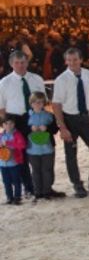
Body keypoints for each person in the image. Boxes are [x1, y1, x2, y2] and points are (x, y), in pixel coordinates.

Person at [0, 50, 46, 197]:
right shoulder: (3, 83)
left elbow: (43, 101)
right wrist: (8, 127)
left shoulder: (37, 79)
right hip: (15, 120)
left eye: (23, 62)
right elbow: (1, 108)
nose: (20, 65)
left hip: (34, 118)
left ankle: (43, 186)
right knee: (21, 156)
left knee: (39, 152)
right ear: (11, 64)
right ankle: (28, 187)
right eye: (17, 63)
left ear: (27, 62)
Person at [52, 48, 89, 198]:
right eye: (69, 60)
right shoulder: (61, 80)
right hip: (70, 119)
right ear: (65, 61)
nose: (72, 63)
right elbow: (56, 105)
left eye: (75, 59)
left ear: (81, 60)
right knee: (71, 154)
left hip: (87, 118)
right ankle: (77, 185)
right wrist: (62, 127)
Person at [26, 92, 58, 202]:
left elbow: (55, 130)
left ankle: (47, 191)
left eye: (40, 102)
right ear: (31, 103)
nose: (38, 104)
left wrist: (47, 128)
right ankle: (38, 192)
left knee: (47, 170)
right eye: (35, 102)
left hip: (47, 149)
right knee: (35, 171)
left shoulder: (49, 115)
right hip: (32, 150)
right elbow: (22, 131)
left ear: (44, 103)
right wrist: (30, 129)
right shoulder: (27, 116)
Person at [0, 115, 27, 205]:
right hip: (3, 164)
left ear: (14, 124)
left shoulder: (17, 134)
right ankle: (9, 197)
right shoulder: (1, 136)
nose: (8, 125)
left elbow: (22, 145)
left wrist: (9, 143)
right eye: (6, 124)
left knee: (16, 181)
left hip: (15, 163)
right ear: (2, 125)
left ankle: (17, 197)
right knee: (6, 181)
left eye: (11, 123)